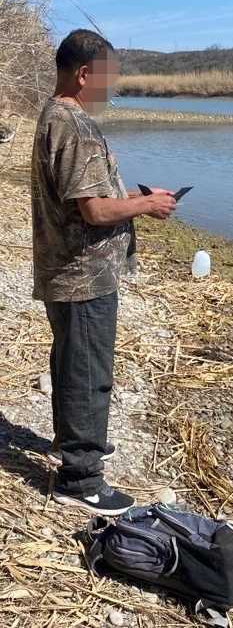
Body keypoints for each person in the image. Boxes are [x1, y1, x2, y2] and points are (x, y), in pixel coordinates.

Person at [31, 29, 178, 515]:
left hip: (69, 270)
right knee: (87, 371)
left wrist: (133, 197)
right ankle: (81, 477)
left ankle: (74, 441)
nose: (111, 87)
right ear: (84, 74)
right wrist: (146, 206)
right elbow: (94, 211)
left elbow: (85, 198)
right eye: (107, 77)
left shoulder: (56, 116)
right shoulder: (73, 124)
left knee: (72, 362)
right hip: (82, 274)